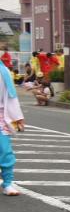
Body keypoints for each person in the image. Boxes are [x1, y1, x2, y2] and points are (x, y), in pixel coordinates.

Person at [0, 63, 24, 196]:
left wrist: (18, 117)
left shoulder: (3, 71)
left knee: (4, 150)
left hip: (1, 116)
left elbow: (11, 95)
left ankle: (8, 183)